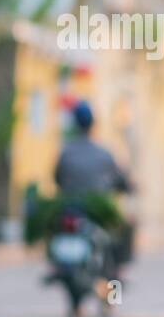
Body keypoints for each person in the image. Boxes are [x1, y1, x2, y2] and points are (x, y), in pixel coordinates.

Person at [54, 100, 134, 281]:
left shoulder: (66, 152)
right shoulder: (103, 153)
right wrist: (128, 186)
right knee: (120, 232)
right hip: (96, 212)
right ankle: (115, 282)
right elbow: (119, 178)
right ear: (93, 124)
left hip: (70, 207)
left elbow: (57, 178)